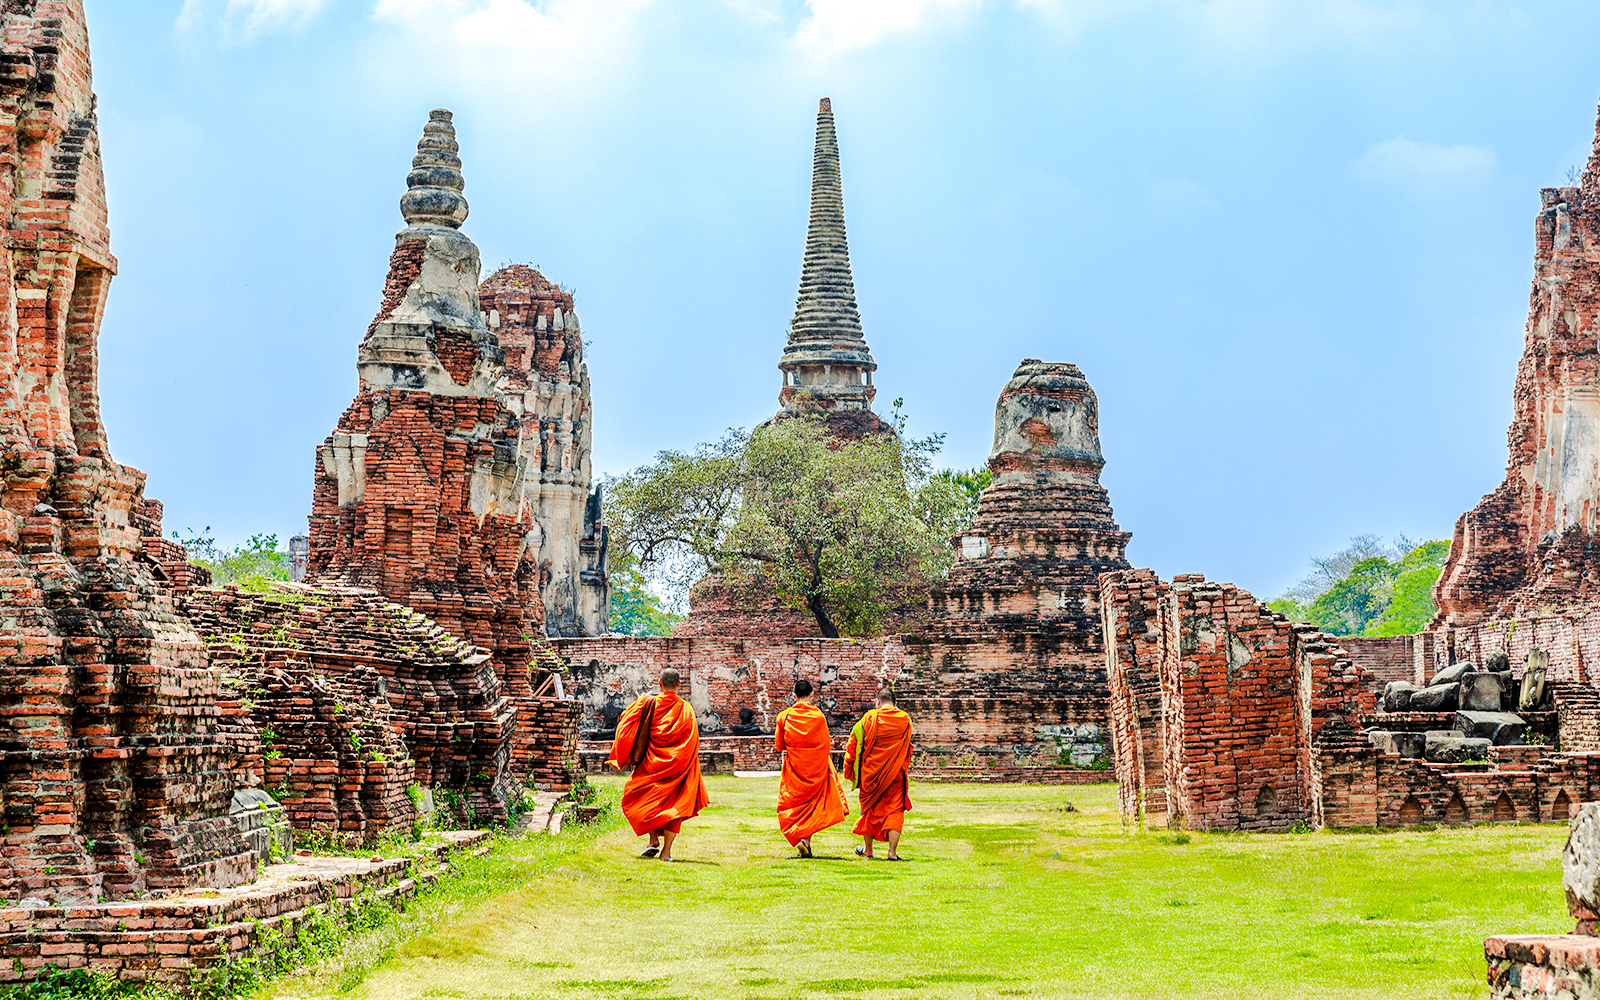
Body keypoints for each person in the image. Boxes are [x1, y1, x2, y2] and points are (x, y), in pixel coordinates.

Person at [607, 668, 709, 861]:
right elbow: (693, 740)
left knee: (636, 797)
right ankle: (664, 851)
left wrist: (640, 701)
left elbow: (625, 723)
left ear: (659, 684)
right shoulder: (687, 709)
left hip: (651, 765)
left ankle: (653, 839)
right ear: (679, 685)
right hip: (678, 765)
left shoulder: (649, 703)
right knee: (674, 806)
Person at [774, 679, 849, 858]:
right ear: (812, 695)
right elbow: (826, 745)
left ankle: (804, 841)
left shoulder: (784, 717)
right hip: (815, 768)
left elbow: (779, 745)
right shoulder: (819, 716)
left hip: (795, 769)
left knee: (796, 805)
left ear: (794, 696)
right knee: (813, 805)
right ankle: (805, 841)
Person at [844, 688, 912, 860]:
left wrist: (849, 767)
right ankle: (892, 852)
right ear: (895, 704)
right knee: (895, 811)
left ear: (878, 702)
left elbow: (854, 743)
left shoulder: (869, 718)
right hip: (895, 774)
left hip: (871, 774)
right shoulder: (905, 720)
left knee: (868, 810)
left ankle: (868, 849)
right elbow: (906, 748)